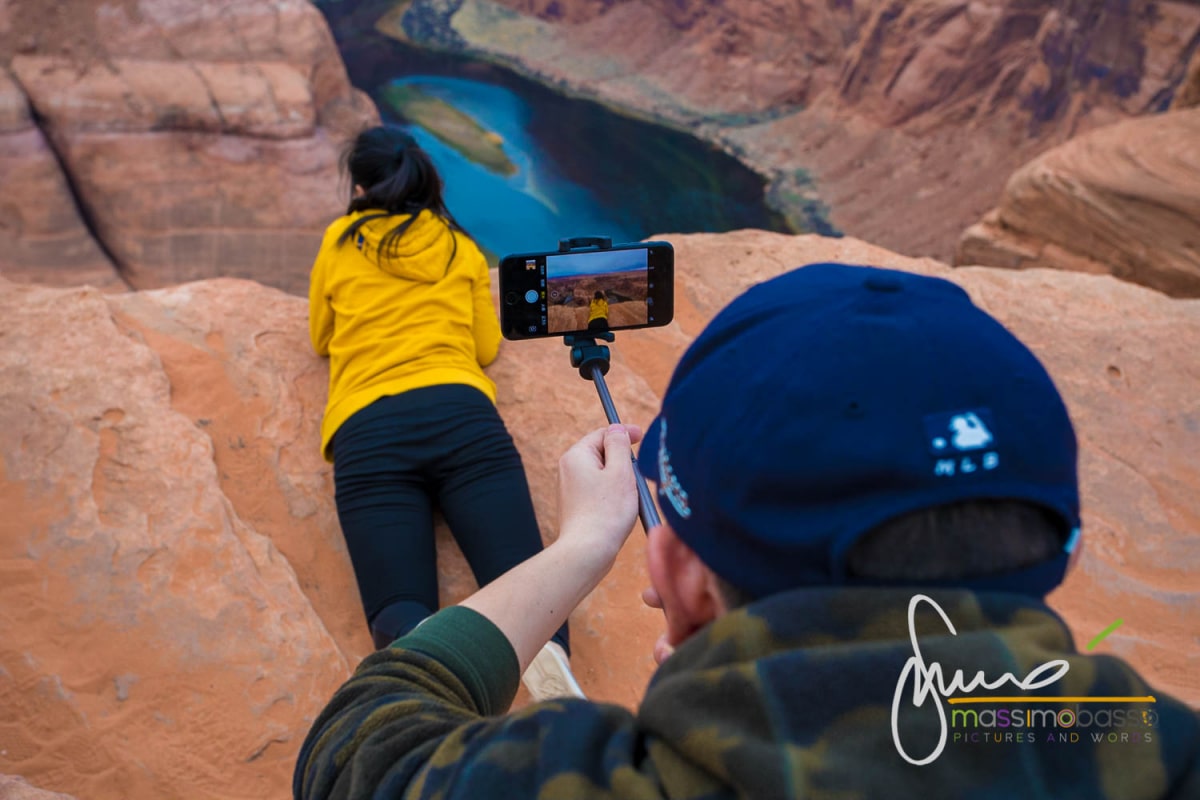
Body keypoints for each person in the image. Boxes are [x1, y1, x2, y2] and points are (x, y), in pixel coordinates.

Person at [295, 263, 1199, 799]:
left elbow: (362, 742)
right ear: (1059, 548)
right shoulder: (1164, 754)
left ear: (680, 580)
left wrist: (578, 547)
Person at [307, 125, 580, 701]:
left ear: (359, 185)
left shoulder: (340, 240)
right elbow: (484, 347)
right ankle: (548, 655)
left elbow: (320, 336)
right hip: (463, 421)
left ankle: (424, 663)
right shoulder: (458, 245)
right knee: (525, 579)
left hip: (370, 432)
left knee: (397, 605)